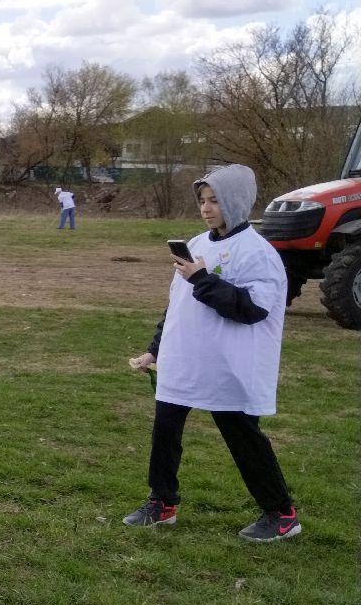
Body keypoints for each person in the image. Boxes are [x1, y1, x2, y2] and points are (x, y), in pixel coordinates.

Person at [125, 164, 299, 542]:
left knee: (242, 436)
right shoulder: (198, 244)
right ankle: (162, 502)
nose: (206, 208)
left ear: (235, 201)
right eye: (203, 200)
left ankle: (281, 513)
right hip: (185, 361)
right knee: (165, 428)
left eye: (215, 200)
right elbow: (177, 306)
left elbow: (253, 309)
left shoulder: (258, 253)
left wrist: (204, 279)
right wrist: (155, 350)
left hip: (226, 365)